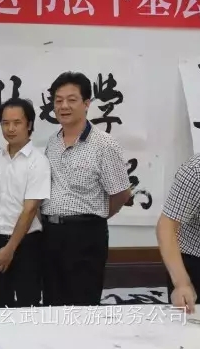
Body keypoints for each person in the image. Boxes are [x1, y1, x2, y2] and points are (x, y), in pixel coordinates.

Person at [41, 72, 131, 307]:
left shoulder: (104, 144)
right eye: (58, 100)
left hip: (85, 236)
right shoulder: (52, 142)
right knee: (52, 305)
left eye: (71, 100)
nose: (64, 106)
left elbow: (122, 194)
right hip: (50, 234)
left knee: (82, 307)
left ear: (86, 103)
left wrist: (94, 217)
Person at [0, 98, 49, 309]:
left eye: (17, 123)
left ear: (29, 124)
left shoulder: (38, 161)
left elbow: (30, 209)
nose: (10, 129)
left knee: (27, 305)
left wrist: (10, 248)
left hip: (26, 244)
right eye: (5, 123)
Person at [156, 151, 200, 314]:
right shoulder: (197, 171)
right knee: (196, 323)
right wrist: (181, 283)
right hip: (198, 258)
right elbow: (167, 226)